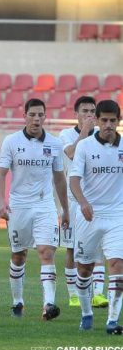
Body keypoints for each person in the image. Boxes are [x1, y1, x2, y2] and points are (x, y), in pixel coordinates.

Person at [0, 98, 69, 320]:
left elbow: (59, 178)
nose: (36, 119)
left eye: (40, 115)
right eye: (32, 115)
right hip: (19, 206)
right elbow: (0, 173)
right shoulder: (11, 141)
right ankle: (17, 302)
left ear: (45, 117)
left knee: (46, 252)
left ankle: (49, 304)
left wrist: (65, 209)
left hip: (44, 205)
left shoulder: (55, 144)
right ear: (24, 116)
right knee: (19, 255)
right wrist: (0, 203)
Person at [69, 100, 123, 334]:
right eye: (104, 120)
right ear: (97, 121)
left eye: (113, 120)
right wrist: (82, 202)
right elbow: (73, 179)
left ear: (119, 121)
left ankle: (112, 321)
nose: (109, 124)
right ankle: (86, 313)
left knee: (117, 264)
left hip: (117, 215)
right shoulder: (85, 146)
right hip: (89, 215)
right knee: (84, 269)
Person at [58, 96, 108, 308]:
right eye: (85, 111)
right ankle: (73, 295)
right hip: (72, 200)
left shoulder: (102, 135)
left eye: (92, 111)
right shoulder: (66, 134)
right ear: (76, 114)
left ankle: (98, 294)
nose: (89, 115)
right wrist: (85, 132)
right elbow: (71, 154)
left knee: (98, 247)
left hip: (96, 200)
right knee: (71, 248)